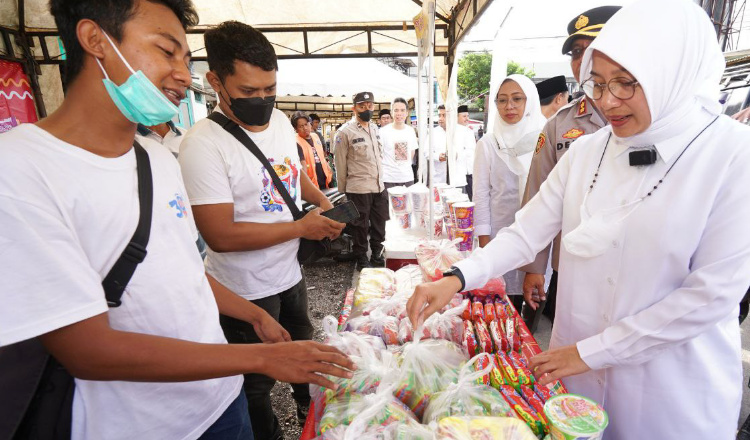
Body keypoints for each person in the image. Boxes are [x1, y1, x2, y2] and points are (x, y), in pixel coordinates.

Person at [0, 2, 353, 440]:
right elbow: (89, 352)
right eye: (166, 52)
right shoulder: (18, 171)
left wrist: (252, 316)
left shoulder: (153, 158)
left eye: (186, 59)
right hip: (140, 425)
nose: (183, 75)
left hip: (221, 404)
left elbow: (185, 270)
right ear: (95, 40)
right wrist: (258, 359)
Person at [408, 1, 750, 438]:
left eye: (626, 84)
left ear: (672, 72)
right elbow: (527, 229)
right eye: (598, 83)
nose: (607, 101)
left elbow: (711, 296)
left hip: (669, 388)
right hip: (576, 373)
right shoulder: (588, 150)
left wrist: (592, 352)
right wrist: (457, 276)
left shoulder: (733, 154)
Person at [178, 21, 346, 440]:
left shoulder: (281, 121)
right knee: (255, 382)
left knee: (305, 356)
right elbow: (221, 235)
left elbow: (289, 177)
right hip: (243, 289)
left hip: (289, 276)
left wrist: (324, 205)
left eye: (270, 89)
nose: (263, 100)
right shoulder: (202, 144)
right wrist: (298, 228)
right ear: (215, 81)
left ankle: (312, 418)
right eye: (250, 92)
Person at [520, 6, 618, 330]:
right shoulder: (558, 125)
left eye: (594, 46)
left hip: (633, 271)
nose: (584, 59)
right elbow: (536, 199)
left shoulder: (656, 120)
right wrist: (535, 267)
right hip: (572, 267)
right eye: (577, 51)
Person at [472, 74, 547, 312]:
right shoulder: (489, 143)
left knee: (534, 306)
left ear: (530, 102)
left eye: (517, 99)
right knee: (502, 309)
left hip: (539, 237)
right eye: (502, 100)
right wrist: (485, 245)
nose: (509, 106)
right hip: (500, 236)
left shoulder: (544, 139)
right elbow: (481, 194)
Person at [334, 91, 388, 269]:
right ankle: (361, 258)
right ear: (354, 108)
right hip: (358, 188)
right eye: (362, 106)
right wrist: (343, 190)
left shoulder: (374, 128)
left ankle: (377, 254)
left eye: (370, 105)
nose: (367, 109)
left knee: (379, 223)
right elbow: (339, 163)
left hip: (378, 186)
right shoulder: (344, 132)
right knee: (360, 226)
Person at [380, 97, 418, 189]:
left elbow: (412, 152)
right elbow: (379, 154)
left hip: (407, 178)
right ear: (391, 112)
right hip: (388, 179)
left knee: (408, 203)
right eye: (396, 110)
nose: (399, 113)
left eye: (402, 110)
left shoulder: (410, 131)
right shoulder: (383, 131)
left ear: (407, 113)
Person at [292, 111, 333, 190]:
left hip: (326, 181)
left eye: (306, 124)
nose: (305, 128)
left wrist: (328, 169)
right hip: (311, 185)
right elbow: (302, 165)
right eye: (301, 126)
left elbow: (322, 156)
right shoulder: (296, 142)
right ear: (296, 129)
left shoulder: (315, 136)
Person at [454, 104, 477, 199]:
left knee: (472, 197)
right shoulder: (453, 131)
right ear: (457, 117)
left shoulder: (470, 131)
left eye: (468, 116)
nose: (467, 118)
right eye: (464, 116)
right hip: (459, 171)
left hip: (471, 170)